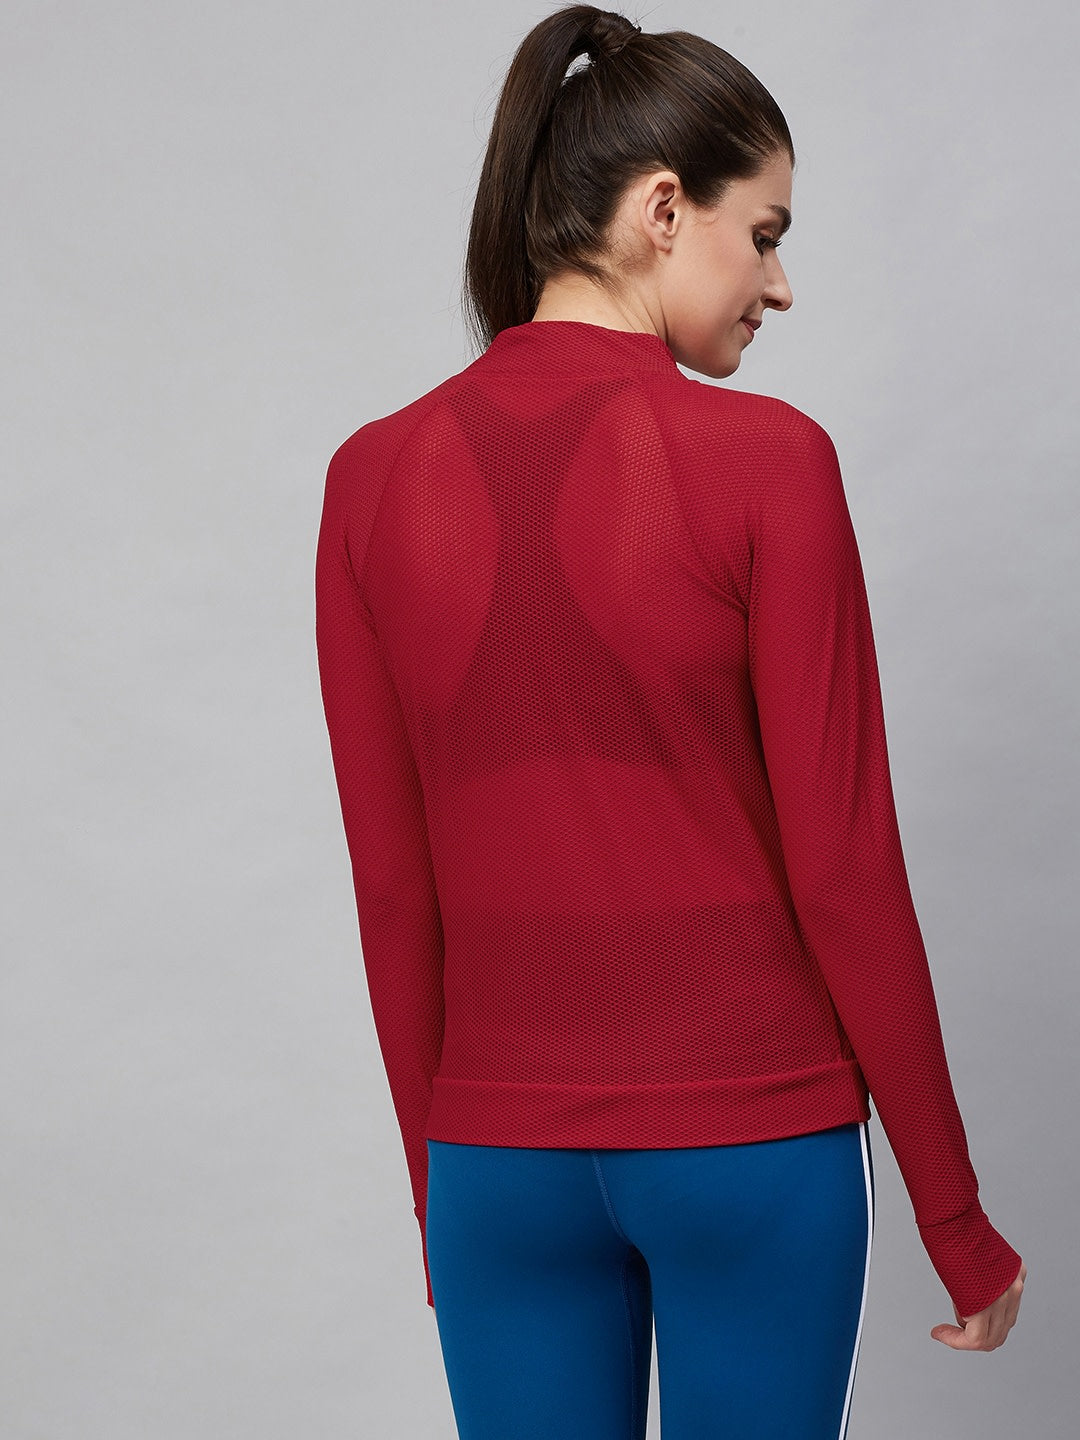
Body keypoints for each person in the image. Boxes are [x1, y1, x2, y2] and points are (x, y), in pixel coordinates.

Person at [314, 5, 1026, 1435]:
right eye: (762, 234)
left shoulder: (370, 480)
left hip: (497, 1162)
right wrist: (956, 1221)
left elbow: (392, 888)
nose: (780, 285)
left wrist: (441, 1188)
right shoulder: (769, 464)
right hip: (749, 1144)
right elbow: (845, 869)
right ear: (660, 210)